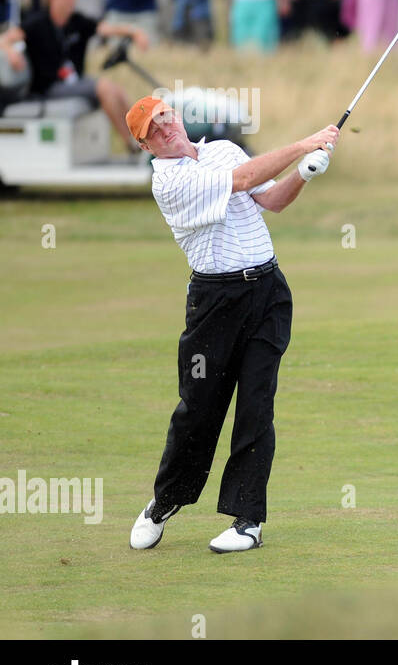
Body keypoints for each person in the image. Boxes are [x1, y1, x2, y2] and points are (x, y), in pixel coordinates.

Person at [125, 95, 341, 554]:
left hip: (267, 293)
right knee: (198, 410)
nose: (164, 129)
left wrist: (303, 174)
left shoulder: (224, 148)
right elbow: (243, 179)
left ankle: (248, 522)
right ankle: (166, 501)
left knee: (256, 409)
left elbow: (269, 199)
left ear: (176, 117)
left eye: (165, 118)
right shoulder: (169, 182)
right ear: (146, 147)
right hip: (214, 306)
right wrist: (304, 145)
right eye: (153, 131)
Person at [20, 0, 148, 151]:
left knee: (116, 90)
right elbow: (10, 36)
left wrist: (133, 31)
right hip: (48, 87)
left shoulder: (76, 21)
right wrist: (11, 52)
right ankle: (132, 144)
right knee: (103, 87)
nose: (70, 0)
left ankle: (142, 138)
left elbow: (105, 28)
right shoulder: (37, 23)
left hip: (73, 82)